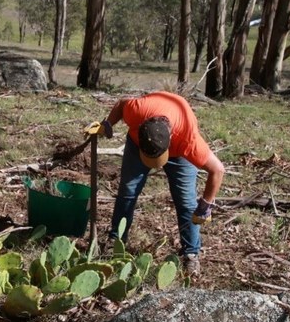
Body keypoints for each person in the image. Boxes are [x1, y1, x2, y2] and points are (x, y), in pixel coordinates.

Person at [86, 91, 225, 275]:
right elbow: (121, 104)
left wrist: (206, 205)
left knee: (186, 202)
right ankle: (115, 242)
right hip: (137, 145)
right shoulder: (137, 111)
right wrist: (108, 124)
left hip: (179, 155)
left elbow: (218, 170)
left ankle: (191, 254)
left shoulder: (188, 139)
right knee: (128, 191)